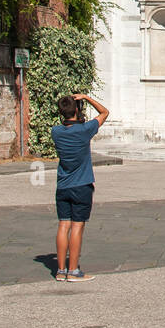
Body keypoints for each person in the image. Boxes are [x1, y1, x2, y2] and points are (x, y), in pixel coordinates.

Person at [50, 93, 109, 282]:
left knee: (63, 225)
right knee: (77, 226)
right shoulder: (85, 129)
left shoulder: (56, 132)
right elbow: (104, 112)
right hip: (81, 185)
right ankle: (73, 270)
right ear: (77, 110)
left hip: (63, 185)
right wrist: (86, 97)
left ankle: (60, 270)